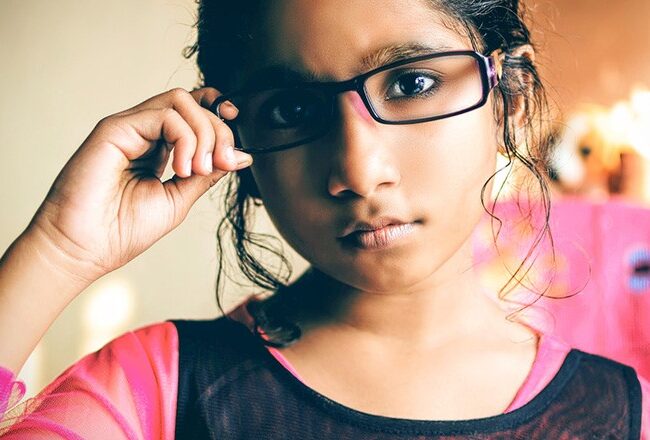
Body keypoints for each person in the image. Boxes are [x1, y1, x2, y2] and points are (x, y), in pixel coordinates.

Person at [0, 0, 648, 438]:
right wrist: (58, 252)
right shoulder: (162, 391)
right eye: (292, 111)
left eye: (412, 84)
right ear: (239, 145)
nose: (359, 173)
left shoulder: (626, 414)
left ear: (511, 97)